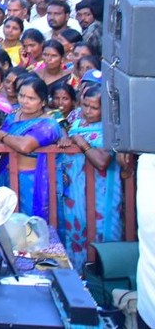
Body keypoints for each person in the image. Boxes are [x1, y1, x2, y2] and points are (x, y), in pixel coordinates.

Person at [57, 81, 123, 270]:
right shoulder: (76, 123)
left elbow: (102, 161)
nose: (88, 111)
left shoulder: (110, 130)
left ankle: (103, 279)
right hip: (76, 195)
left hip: (101, 192)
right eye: (85, 105)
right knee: (76, 233)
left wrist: (81, 142)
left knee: (102, 231)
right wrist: (65, 135)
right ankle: (79, 280)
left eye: (94, 108)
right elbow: (65, 133)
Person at [0, 74, 62, 220]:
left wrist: (1, 134)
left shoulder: (48, 125)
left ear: (42, 102)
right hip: (5, 177)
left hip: (29, 182)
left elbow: (25, 146)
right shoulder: (12, 117)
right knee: (1, 224)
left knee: (27, 227)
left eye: (31, 98)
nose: (25, 101)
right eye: (22, 96)